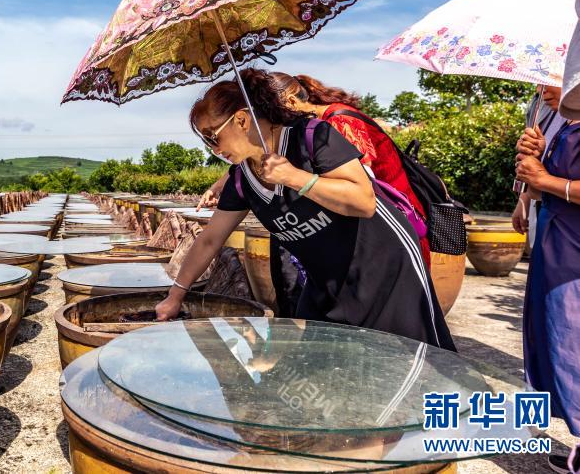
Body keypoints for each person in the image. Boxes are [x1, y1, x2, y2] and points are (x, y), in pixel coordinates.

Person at [156, 70, 455, 351]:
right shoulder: (241, 179)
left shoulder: (312, 136)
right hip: (324, 279)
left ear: (242, 120)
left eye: (212, 136)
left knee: (410, 362)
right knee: (326, 368)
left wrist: (295, 178)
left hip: (384, 267)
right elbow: (210, 239)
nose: (213, 149)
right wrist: (175, 296)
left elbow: (363, 201)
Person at [516, 96, 580, 474]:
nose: (545, 88)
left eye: (556, 77)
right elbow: (544, 189)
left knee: (573, 336)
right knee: (557, 336)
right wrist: (538, 159)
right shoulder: (564, 126)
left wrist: (543, 178)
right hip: (558, 245)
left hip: (574, 252)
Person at [513, 86, 566, 248]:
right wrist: (524, 198)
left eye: (551, 78)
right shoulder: (541, 105)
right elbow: (535, 175)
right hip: (547, 212)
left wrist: (542, 179)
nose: (540, 88)